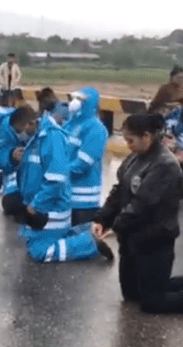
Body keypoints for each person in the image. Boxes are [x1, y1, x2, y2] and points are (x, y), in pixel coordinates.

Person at [92, 113, 183, 313]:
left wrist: (116, 226)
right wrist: (102, 218)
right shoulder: (135, 158)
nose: (127, 144)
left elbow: (143, 205)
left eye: (130, 140)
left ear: (146, 137)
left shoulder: (164, 165)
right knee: (132, 295)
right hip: (133, 239)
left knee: (152, 302)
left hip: (155, 240)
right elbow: (119, 191)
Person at [15, 97, 113, 263]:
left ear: (30, 124)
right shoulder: (40, 136)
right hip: (45, 205)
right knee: (33, 242)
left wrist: (36, 205)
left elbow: (57, 177)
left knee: (39, 251)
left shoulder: (51, 136)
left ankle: (88, 244)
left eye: (20, 130)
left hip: (51, 207)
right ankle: (80, 232)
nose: (20, 135)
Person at [64, 87, 108, 225]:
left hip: (84, 202)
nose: (75, 102)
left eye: (80, 100)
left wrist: (58, 172)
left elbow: (82, 164)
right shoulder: (71, 124)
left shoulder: (96, 129)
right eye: (75, 99)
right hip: (67, 197)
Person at [0, 105, 37, 217]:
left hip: (35, 172)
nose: (22, 134)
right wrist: (11, 155)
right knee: (12, 203)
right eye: (19, 130)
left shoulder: (40, 127)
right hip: (13, 170)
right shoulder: (0, 129)